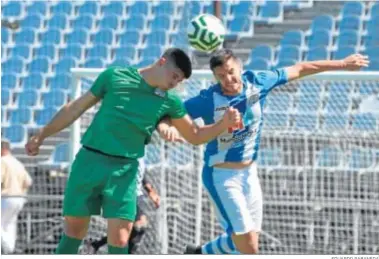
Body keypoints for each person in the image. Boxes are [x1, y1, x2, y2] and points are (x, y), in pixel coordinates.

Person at [25, 48, 241, 254]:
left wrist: (223, 124)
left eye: (179, 81)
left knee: (120, 238)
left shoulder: (169, 101)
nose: (174, 83)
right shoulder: (114, 77)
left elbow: (194, 134)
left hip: (125, 171)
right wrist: (43, 134)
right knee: (74, 231)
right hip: (89, 161)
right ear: (162, 62)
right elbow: (75, 108)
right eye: (174, 76)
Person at [157, 49, 369, 254]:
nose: (228, 79)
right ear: (215, 77)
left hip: (250, 174)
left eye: (231, 72)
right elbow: (170, 113)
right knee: (248, 246)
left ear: (239, 67)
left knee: (246, 241)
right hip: (221, 177)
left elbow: (301, 68)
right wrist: (166, 127)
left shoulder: (258, 82)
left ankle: (200, 253)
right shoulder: (209, 99)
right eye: (221, 76)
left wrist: (342, 64)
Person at [82, 159, 160, 254]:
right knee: (139, 225)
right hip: (125, 194)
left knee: (132, 229)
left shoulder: (140, 154)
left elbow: (141, 173)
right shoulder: (121, 151)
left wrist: (151, 191)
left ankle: (97, 244)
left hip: (138, 195)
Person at [1, 138, 33, 254]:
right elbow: (28, 181)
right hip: (19, 198)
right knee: (10, 225)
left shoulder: (2, 161)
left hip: (5, 197)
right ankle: (9, 251)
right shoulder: (17, 162)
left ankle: (4, 248)